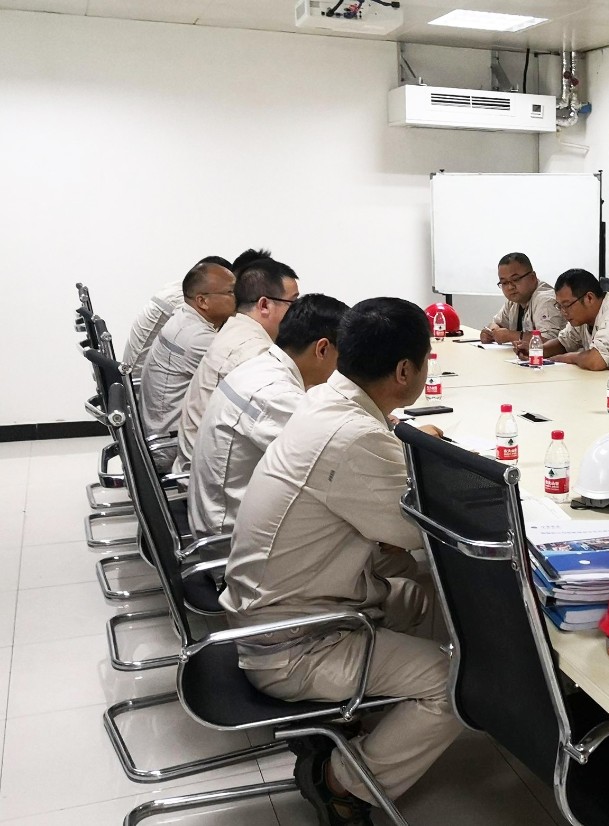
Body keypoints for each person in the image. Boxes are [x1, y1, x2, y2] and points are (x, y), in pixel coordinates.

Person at [219, 297, 461, 825]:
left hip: (286, 610)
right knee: (453, 684)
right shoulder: (354, 437)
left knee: (426, 597)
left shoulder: (324, 401)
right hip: (295, 644)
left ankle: (372, 720)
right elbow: (422, 535)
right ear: (405, 371)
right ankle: (340, 783)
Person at [188, 293, 348, 540]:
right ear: (323, 349)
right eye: (344, 356)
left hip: (219, 514)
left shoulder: (261, 366)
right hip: (231, 538)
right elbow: (335, 458)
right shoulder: (275, 394)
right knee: (368, 531)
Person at [175, 255, 301, 471]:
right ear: (264, 305)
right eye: (294, 302)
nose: (298, 311)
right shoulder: (252, 352)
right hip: (204, 471)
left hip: (201, 462)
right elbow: (295, 436)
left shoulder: (235, 329)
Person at [138, 261, 237, 460]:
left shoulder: (183, 318)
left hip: (158, 430)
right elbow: (244, 379)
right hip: (169, 446)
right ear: (202, 301)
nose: (239, 298)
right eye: (231, 292)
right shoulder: (198, 338)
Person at [120, 255, 231, 367]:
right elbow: (205, 343)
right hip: (139, 373)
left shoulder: (180, 289)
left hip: (146, 367)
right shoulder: (182, 301)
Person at [479, 252, 567, 345]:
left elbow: (549, 341)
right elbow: (496, 323)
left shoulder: (546, 300)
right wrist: (491, 332)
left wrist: (510, 335)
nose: (510, 287)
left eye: (515, 279)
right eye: (504, 282)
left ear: (532, 277)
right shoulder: (513, 301)